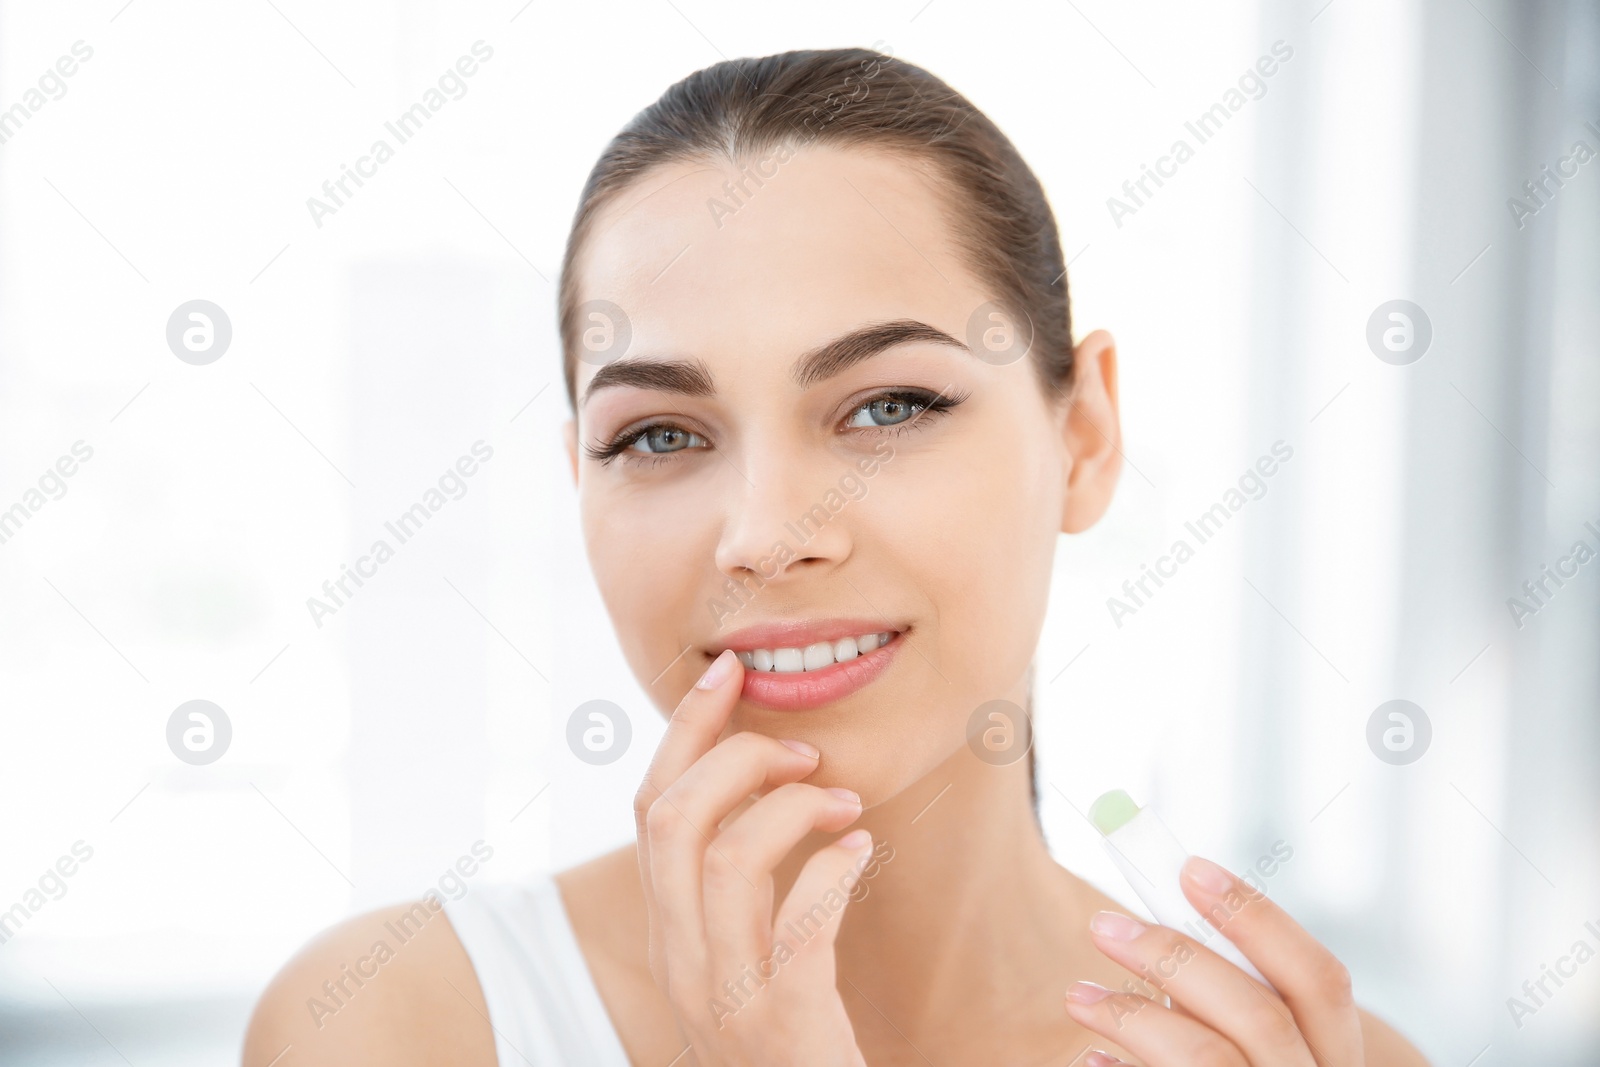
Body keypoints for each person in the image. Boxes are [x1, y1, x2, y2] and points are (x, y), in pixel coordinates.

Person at [245, 47, 1430, 1066]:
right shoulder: (390, 1019)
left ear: (1084, 436)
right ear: (578, 479)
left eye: (890, 405)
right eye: (658, 433)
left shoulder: (1313, 1055)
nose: (764, 532)